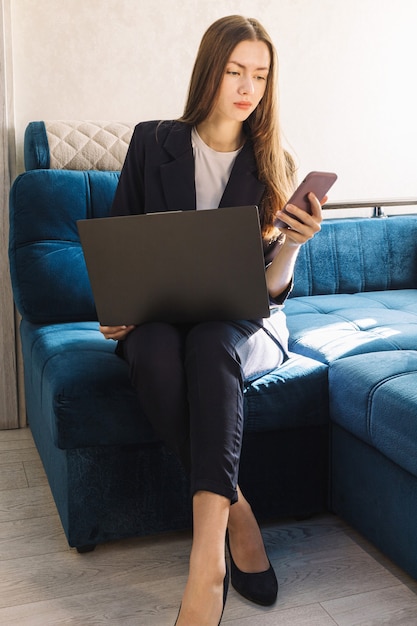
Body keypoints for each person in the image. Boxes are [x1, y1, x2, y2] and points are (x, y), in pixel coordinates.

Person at [100, 14, 324, 626]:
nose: (247, 87)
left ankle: (207, 566)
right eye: (234, 71)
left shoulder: (275, 162)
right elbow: (121, 240)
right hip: (162, 320)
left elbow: (269, 293)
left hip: (242, 325)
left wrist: (293, 245)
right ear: (209, 72)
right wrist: (117, 306)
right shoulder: (152, 142)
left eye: (260, 74)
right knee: (151, 351)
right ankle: (239, 512)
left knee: (209, 342)